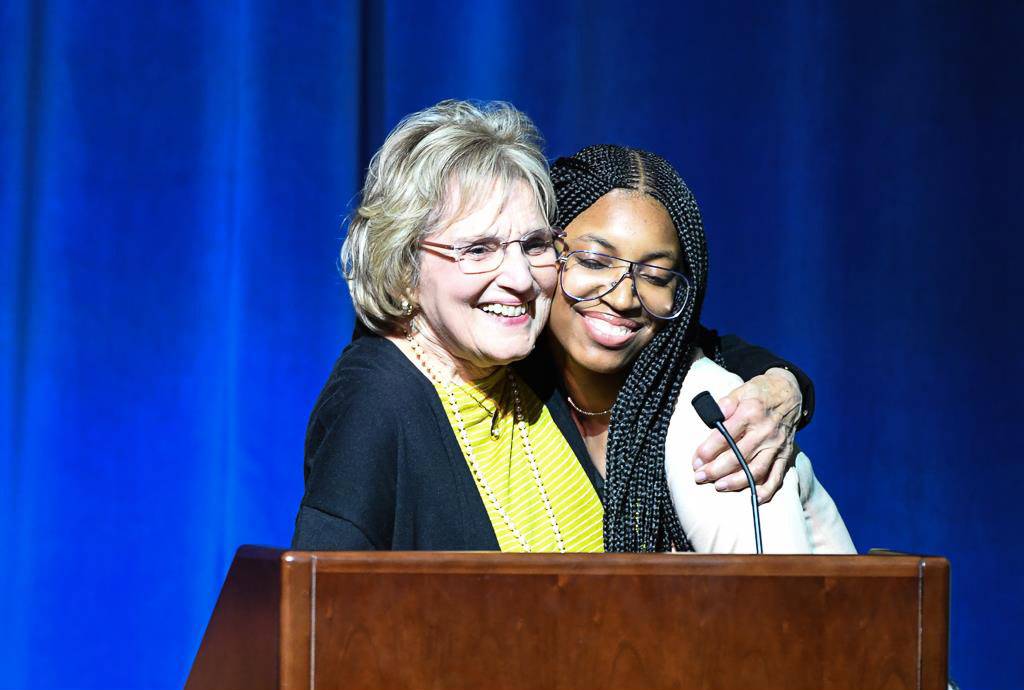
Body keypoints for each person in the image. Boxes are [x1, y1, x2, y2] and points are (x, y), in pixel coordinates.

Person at [292, 100, 817, 552]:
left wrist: (784, 385)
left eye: (535, 245)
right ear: (403, 270)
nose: (520, 278)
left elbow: (689, 342)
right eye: (478, 249)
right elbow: (317, 624)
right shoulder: (377, 397)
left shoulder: (525, 359)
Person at [545, 144, 854, 553]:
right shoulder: (515, 386)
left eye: (655, 276)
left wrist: (785, 384)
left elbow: (776, 610)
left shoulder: (720, 430)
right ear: (542, 252)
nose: (623, 299)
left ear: (680, 295)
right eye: (596, 262)